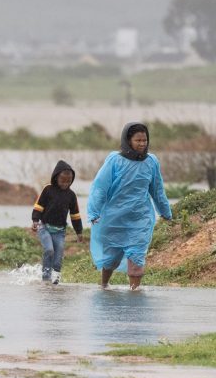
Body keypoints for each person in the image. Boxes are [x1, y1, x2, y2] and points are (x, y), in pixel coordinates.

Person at [87, 122, 172, 290]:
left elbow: (157, 189)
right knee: (111, 258)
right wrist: (94, 212)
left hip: (140, 218)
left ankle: (135, 294)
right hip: (114, 217)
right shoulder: (115, 160)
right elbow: (100, 188)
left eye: (145, 140)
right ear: (128, 140)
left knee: (137, 256)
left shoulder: (152, 161)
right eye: (138, 140)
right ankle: (104, 286)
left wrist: (165, 211)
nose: (142, 144)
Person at [31, 160, 84, 284]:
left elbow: (75, 215)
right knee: (49, 250)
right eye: (63, 181)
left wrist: (79, 232)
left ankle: (55, 283)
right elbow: (38, 206)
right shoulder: (48, 190)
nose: (66, 183)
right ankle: (45, 279)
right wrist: (35, 221)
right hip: (44, 227)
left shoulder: (71, 195)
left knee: (58, 260)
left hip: (60, 232)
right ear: (56, 178)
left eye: (68, 181)